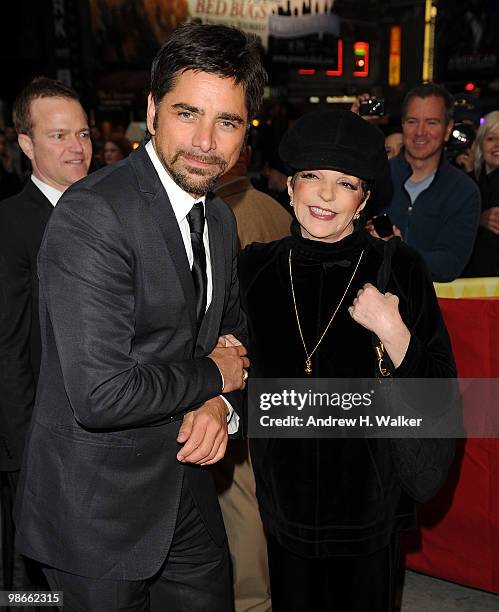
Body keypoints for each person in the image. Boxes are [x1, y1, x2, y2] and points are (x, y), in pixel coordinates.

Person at [13, 23, 265, 612]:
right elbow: (103, 392)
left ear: (246, 132)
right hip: (96, 511)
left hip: (185, 488)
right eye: (187, 114)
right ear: (152, 112)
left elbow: (238, 340)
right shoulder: (93, 214)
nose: (205, 141)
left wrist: (219, 405)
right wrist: (213, 377)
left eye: (226, 122)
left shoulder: (221, 219)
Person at [238, 109, 457, 611]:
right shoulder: (256, 268)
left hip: (369, 509)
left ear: (363, 200)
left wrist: (394, 331)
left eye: (346, 183)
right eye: (312, 177)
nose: (326, 194)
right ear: (289, 186)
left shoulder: (398, 267)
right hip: (285, 501)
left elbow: (441, 387)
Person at [0, 77, 92, 592]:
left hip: (106, 436)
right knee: (34, 583)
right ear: (26, 144)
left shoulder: (111, 212)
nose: (76, 148)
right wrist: (25, 453)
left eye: (82, 133)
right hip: (40, 444)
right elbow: (7, 347)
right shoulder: (10, 225)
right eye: (59, 136)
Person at [213, 144, 292, 612]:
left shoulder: (220, 215)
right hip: (279, 369)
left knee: (238, 493)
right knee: (261, 491)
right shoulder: (274, 208)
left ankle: (250, 600)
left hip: (242, 371)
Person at [381, 83, 481, 281]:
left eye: (431, 122)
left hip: (428, 309)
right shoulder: (377, 177)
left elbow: (450, 264)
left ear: (448, 129)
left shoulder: (464, 191)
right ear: (402, 124)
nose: (420, 131)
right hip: (366, 302)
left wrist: (399, 252)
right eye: (412, 121)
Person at [462, 110, 499, 277]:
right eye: (491, 138)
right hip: (471, 284)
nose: (497, 144)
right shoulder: (464, 184)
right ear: (480, 144)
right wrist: (477, 218)